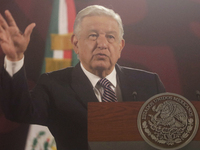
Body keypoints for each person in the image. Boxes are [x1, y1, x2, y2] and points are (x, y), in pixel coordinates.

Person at [0, 5, 165, 150]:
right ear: (76, 43)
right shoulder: (54, 85)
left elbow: (171, 135)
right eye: (93, 35)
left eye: (110, 37)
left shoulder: (149, 84)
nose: (102, 44)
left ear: (120, 46)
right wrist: (15, 60)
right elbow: (18, 111)